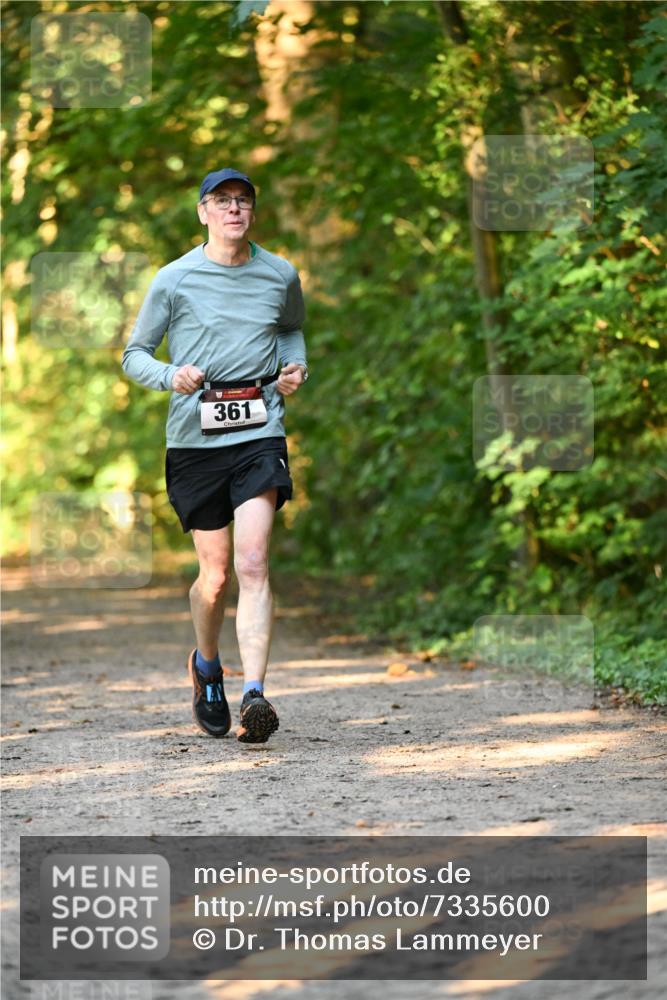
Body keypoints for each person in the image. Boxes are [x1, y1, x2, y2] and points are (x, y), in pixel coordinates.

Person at [121, 167, 307, 744]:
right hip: (195, 440)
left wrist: (295, 369)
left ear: (253, 212)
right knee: (217, 574)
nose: (234, 210)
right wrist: (171, 375)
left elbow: (292, 330)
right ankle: (206, 668)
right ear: (203, 212)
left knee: (253, 563)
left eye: (243, 201)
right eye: (222, 201)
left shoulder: (279, 273)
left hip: (259, 429)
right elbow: (133, 354)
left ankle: (254, 693)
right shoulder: (174, 279)